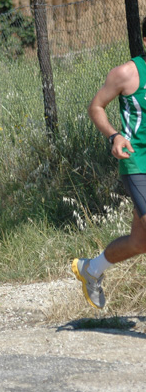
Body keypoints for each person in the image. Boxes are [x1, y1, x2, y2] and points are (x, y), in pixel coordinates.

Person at [72, 17, 146, 309]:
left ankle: (91, 269)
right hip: (137, 159)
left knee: (140, 242)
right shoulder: (127, 73)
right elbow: (96, 106)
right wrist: (114, 135)